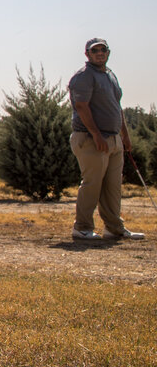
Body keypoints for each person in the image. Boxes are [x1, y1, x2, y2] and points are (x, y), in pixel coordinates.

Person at [68, 38, 145, 241]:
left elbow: (116, 107)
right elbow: (82, 106)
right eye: (95, 50)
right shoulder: (84, 77)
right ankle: (82, 227)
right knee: (92, 183)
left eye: (103, 49)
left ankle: (114, 228)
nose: (100, 53)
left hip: (113, 139)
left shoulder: (109, 75)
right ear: (87, 54)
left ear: (108, 53)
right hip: (91, 138)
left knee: (113, 186)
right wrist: (96, 134)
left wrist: (125, 135)